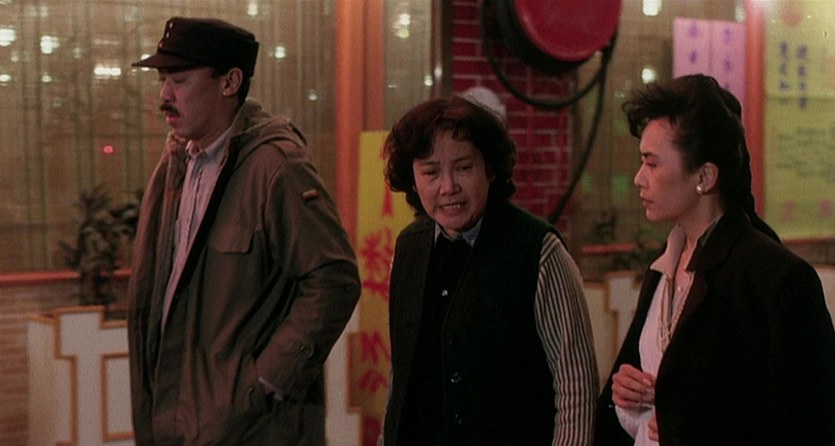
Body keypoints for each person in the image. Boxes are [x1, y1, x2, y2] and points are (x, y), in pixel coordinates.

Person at [126, 17, 361, 445]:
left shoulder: (276, 167)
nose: (164, 96)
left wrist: (265, 382)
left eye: (179, 80)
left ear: (230, 82)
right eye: (162, 80)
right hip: (177, 424)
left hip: (253, 429)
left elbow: (334, 279)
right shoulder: (176, 163)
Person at [594, 74, 835, 445]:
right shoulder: (665, 263)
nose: (639, 178)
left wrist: (696, 427)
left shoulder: (775, 276)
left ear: (705, 176)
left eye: (652, 164)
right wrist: (626, 392)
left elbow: (810, 420)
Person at [381, 95, 599, 446]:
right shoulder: (408, 248)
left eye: (463, 168)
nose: (448, 187)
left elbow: (575, 383)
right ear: (413, 178)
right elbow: (401, 376)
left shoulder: (538, 250)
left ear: (490, 169)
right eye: (431, 172)